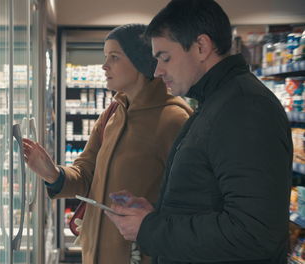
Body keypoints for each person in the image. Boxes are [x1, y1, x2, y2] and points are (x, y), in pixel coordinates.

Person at [105, 1, 293, 264]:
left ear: (202, 47)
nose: (158, 71)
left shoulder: (244, 108)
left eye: (165, 57)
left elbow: (254, 234)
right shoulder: (217, 101)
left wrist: (151, 229)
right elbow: (208, 200)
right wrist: (157, 215)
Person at [22, 24, 193, 264]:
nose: (105, 66)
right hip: (96, 254)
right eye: (105, 57)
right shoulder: (112, 113)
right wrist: (53, 174)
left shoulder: (174, 120)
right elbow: (85, 173)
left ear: (140, 62)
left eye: (114, 57)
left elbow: (190, 203)